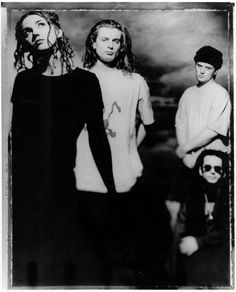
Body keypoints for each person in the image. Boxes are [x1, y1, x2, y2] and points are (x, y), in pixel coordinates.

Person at [11, 11, 115, 285]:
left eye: (41, 25)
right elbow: (16, 143)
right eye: (27, 32)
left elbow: (98, 140)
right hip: (27, 194)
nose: (35, 34)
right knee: (30, 271)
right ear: (26, 43)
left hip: (65, 189)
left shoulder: (86, 82)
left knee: (73, 269)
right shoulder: (25, 81)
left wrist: (113, 192)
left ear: (57, 30)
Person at [74, 19, 155, 283]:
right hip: (85, 178)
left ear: (122, 47)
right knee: (89, 258)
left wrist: (129, 150)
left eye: (116, 41)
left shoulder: (135, 81)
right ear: (93, 43)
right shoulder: (78, 78)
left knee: (119, 254)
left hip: (123, 181)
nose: (110, 45)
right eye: (104, 39)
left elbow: (147, 123)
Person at [165, 46, 231, 230]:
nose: (201, 71)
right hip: (188, 159)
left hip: (211, 161)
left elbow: (213, 130)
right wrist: (185, 154)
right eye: (199, 65)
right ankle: (174, 244)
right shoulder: (188, 93)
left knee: (205, 209)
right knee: (173, 203)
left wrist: (189, 151)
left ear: (216, 71)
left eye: (207, 67)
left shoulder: (220, 94)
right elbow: (181, 124)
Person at [169, 150, 231, 287]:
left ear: (224, 173)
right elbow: (180, 231)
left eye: (218, 169)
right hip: (197, 257)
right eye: (207, 168)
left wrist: (200, 242)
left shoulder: (230, 198)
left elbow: (229, 231)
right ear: (200, 171)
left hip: (222, 255)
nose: (212, 172)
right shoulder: (192, 198)